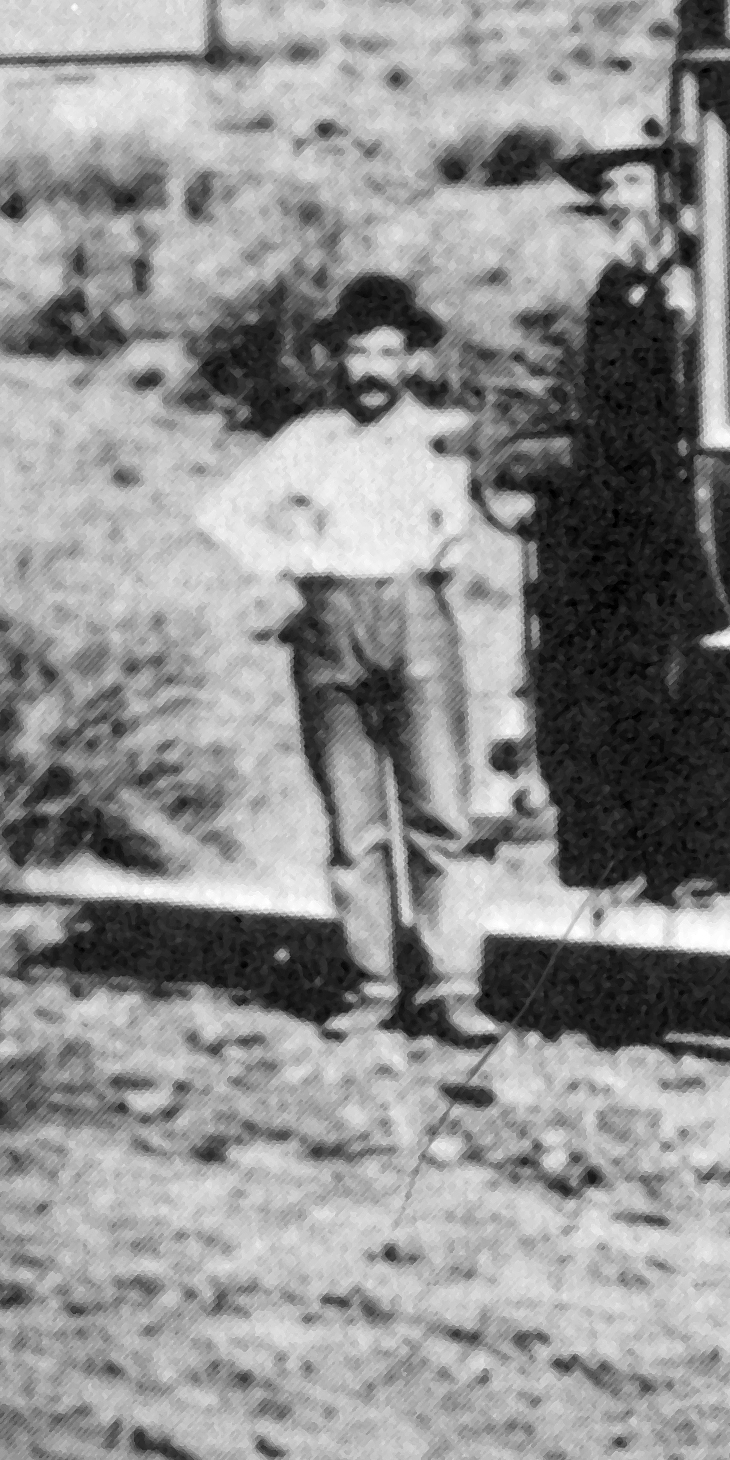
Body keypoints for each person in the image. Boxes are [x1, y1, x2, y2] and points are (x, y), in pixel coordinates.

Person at [192, 273, 499, 1044]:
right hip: (328, 620)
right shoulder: (309, 439)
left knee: (440, 813)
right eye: (357, 351)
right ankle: (371, 983)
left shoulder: (441, 433)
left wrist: (417, 566)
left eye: (388, 352)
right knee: (354, 821)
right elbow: (220, 513)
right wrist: (290, 560)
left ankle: (451, 988)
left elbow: (456, 536)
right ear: (336, 359)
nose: (371, 369)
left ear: (412, 361)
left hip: (414, 615)